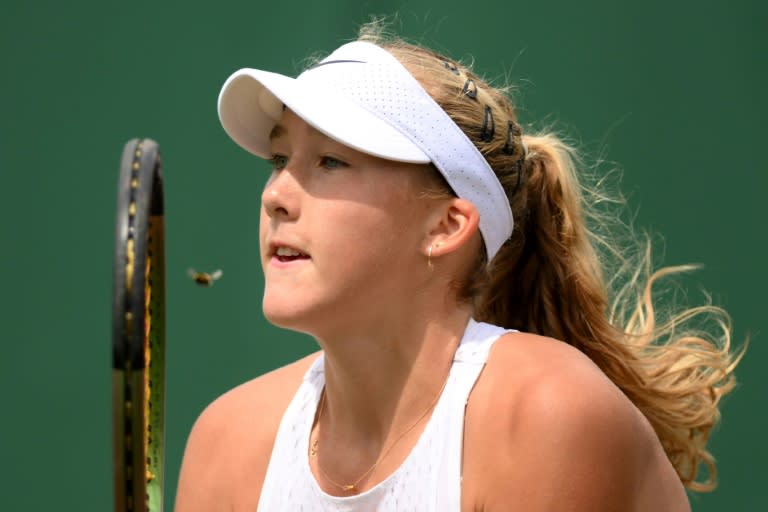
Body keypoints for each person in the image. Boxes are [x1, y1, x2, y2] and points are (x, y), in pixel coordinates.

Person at [174, 21, 742, 511]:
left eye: (330, 160)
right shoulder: (228, 443)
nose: (276, 195)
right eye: (280, 158)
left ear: (446, 226)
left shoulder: (547, 415)